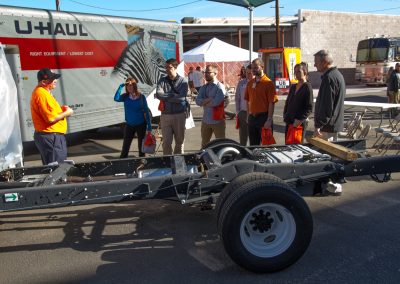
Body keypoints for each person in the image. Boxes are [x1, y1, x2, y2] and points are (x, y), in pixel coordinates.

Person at [30, 68, 74, 165]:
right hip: (51, 137)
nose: (56, 81)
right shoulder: (41, 94)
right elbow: (50, 119)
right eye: (53, 79)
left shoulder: (44, 92)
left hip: (51, 137)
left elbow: (50, 113)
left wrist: (62, 110)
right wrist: (67, 113)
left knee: (55, 167)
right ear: (44, 82)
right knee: (57, 169)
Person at [155, 58, 189, 155]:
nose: (167, 69)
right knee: (166, 142)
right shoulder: (162, 80)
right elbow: (158, 94)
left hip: (179, 115)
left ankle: (178, 160)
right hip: (165, 115)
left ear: (175, 68)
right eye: (166, 67)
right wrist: (173, 95)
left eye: (169, 67)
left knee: (179, 142)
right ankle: (167, 161)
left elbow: (181, 98)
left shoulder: (183, 82)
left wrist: (166, 96)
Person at [114, 77, 152, 158]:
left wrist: (149, 126)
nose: (129, 87)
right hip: (129, 125)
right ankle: (122, 161)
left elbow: (146, 112)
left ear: (134, 86)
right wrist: (120, 87)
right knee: (125, 146)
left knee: (141, 147)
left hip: (141, 124)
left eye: (131, 85)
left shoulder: (141, 97)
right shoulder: (125, 97)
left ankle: (142, 162)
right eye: (127, 85)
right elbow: (116, 98)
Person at [313, 50, 346, 141]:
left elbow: (326, 105)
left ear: (324, 63)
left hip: (328, 127)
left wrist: (318, 125)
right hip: (332, 125)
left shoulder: (329, 78)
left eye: (316, 62)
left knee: (326, 153)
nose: (314, 65)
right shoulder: (337, 75)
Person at [245, 58, 278, 145]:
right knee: (253, 146)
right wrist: (248, 116)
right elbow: (247, 101)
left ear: (262, 67)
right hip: (252, 118)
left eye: (256, 67)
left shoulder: (268, 83)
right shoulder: (250, 83)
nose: (253, 70)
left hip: (263, 118)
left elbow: (272, 102)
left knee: (266, 146)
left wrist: (269, 119)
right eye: (252, 68)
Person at [195, 64, 226, 148]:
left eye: (208, 72)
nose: (206, 74)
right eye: (205, 72)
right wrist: (209, 99)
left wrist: (203, 102)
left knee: (221, 145)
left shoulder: (220, 87)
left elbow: (216, 102)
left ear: (215, 73)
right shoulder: (204, 87)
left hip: (218, 121)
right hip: (206, 121)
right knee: (204, 145)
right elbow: (197, 101)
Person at [283, 62, 313, 143]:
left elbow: (309, 108)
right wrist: (285, 114)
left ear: (305, 72)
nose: (296, 74)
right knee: (287, 146)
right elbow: (288, 102)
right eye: (295, 72)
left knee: (296, 148)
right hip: (289, 121)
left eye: (299, 71)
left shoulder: (307, 87)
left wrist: (299, 120)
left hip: (299, 123)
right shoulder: (293, 86)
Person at [235, 64, 253, 145]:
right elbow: (237, 98)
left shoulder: (258, 83)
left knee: (254, 137)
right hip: (243, 112)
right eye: (246, 73)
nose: (248, 75)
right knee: (243, 136)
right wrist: (238, 111)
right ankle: (243, 152)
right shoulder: (241, 83)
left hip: (254, 113)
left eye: (250, 73)